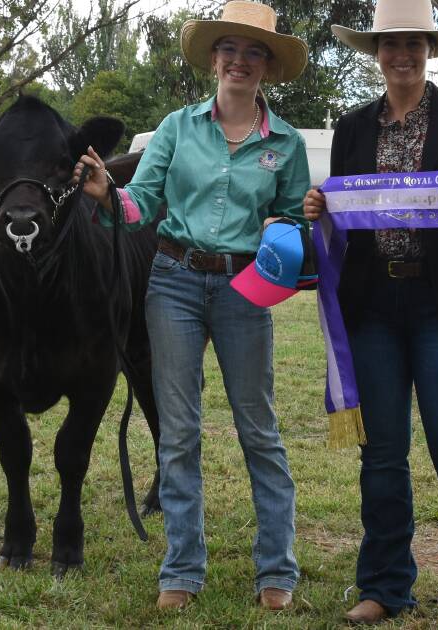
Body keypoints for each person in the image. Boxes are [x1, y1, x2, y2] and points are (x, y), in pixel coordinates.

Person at [73, 0, 310, 612]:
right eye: (229, 49)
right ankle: (181, 567)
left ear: (266, 67)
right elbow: (140, 207)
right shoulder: (176, 128)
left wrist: (295, 233)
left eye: (253, 51)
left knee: (259, 431)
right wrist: (107, 196)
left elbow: (286, 221)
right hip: (173, 281)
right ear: (213, 59)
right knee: (178, 433)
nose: (239, 60)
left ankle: (276, 570)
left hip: (242, 290)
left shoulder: (285, 143)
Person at [304, 0, 438, 627]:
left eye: (414, 43)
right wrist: (320, 208)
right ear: (376, 53)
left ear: (431, 50)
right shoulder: (351, 128)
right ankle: (385, 587)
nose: (402, 54)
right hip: (372, 308)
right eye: (390, 44)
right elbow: (347, 217)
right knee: (382, 455)